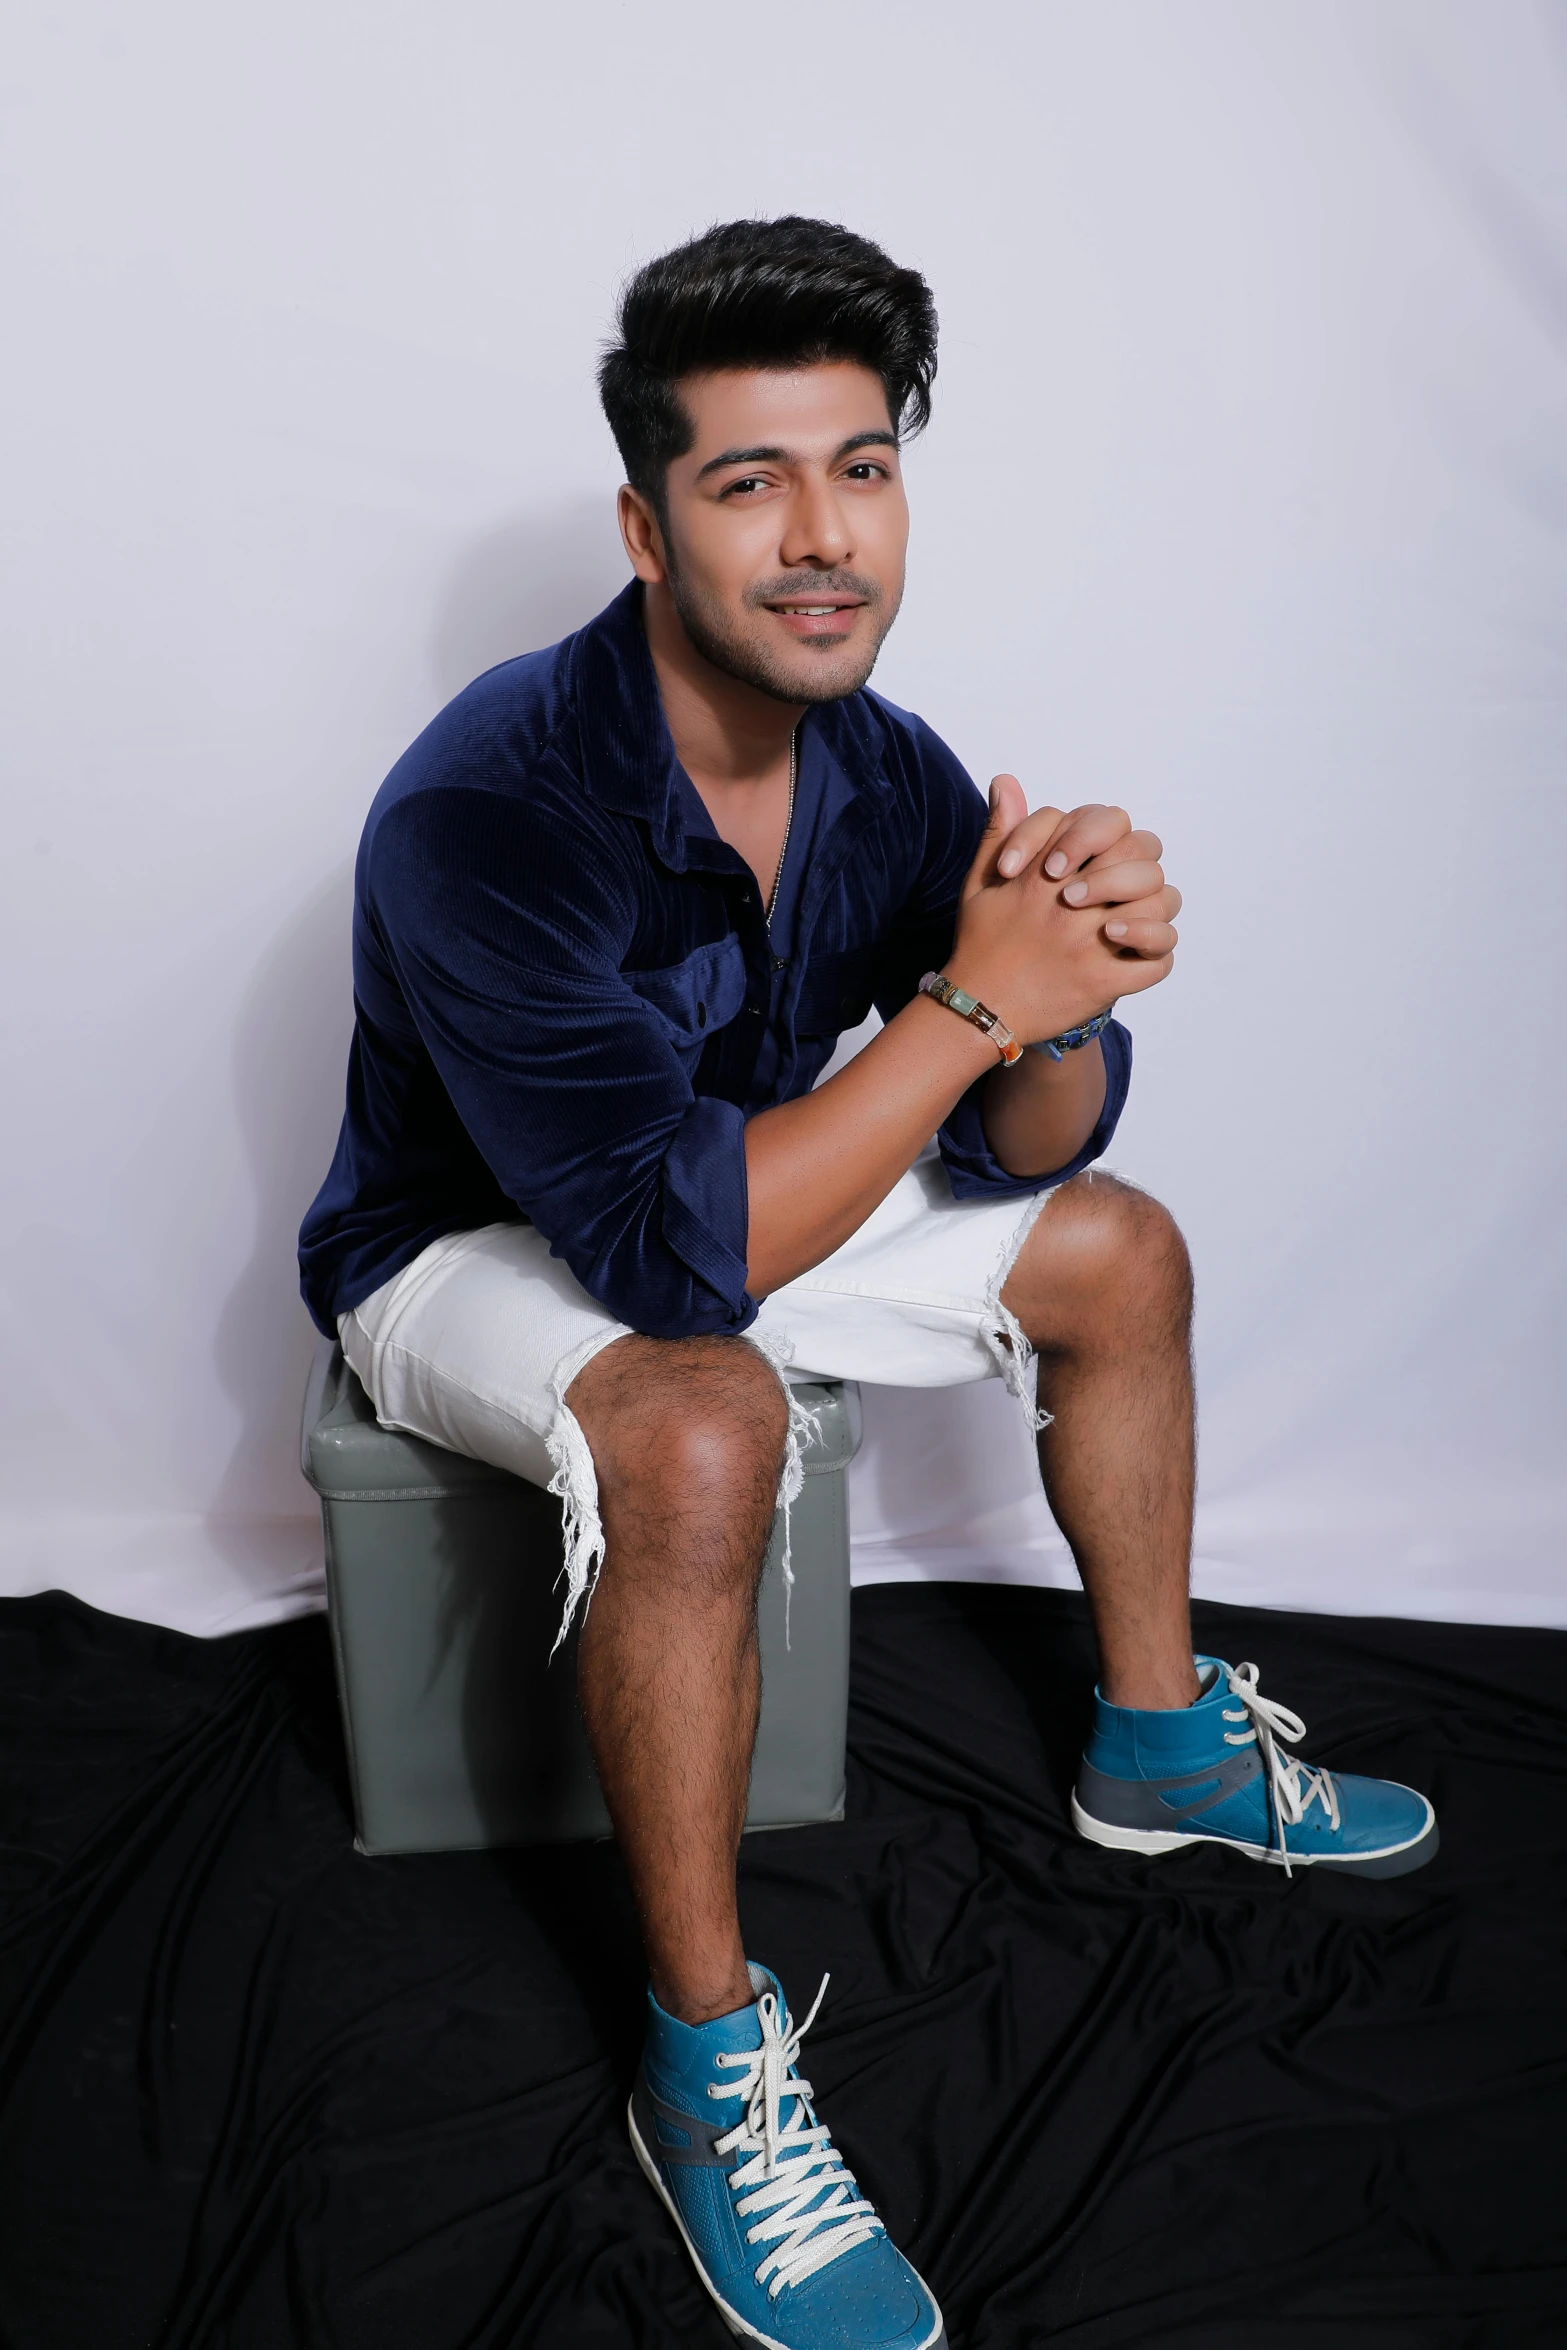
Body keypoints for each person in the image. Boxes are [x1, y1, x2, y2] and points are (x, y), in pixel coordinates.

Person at [299, 217, 1438, 2350]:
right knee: (704, 1410)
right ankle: (710, 2061)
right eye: (750, 482)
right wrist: (970, 1006)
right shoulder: (487, 803)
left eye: (865, 465)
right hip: (462, 1244)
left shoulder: (886, 764)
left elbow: (1022, 1139)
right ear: (646, 524)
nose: (824, 537)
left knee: (1123, 1251)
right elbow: (673, 1262)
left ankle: (1158, 1743)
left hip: (699, 1200)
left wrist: (1061, 980)